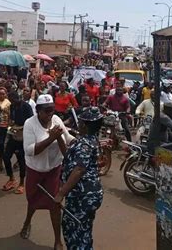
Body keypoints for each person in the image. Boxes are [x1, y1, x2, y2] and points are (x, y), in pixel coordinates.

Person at [20, 94, 74, 250]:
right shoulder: (30, 124)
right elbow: (29, 150)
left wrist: (77, 142)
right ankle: (27, 222)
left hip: (54, 170)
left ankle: (58, 240)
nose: (50, 113)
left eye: (52, 110)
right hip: (36, 170)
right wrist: (51, 138)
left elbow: (67, 137)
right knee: (33, 201)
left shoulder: (56, 120)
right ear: (38, 111)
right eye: (47, 110)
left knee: (55, 204)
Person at [55, 107, 104, 250]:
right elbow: (70, 159)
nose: (79, 123)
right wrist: (58, 138)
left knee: (74, 232)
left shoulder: (84, 144)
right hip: (91, 194)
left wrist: (61, 193)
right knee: (84, 230)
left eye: (81, 121)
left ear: (84, 124)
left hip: (82, 196)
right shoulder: (92, 140)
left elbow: (79, 169)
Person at [2, 92, 33, 194]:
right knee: (6, 157)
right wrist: (10, 127)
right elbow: (12, 120)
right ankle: (11, 179)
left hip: (24, 136)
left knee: (21, 161)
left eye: (15, 100)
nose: (13, 102)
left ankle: (21, 184)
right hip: (14, 134)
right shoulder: (12, 106)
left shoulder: (26, 107)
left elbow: (31, 121)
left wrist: (22, 129)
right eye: (12, 100)